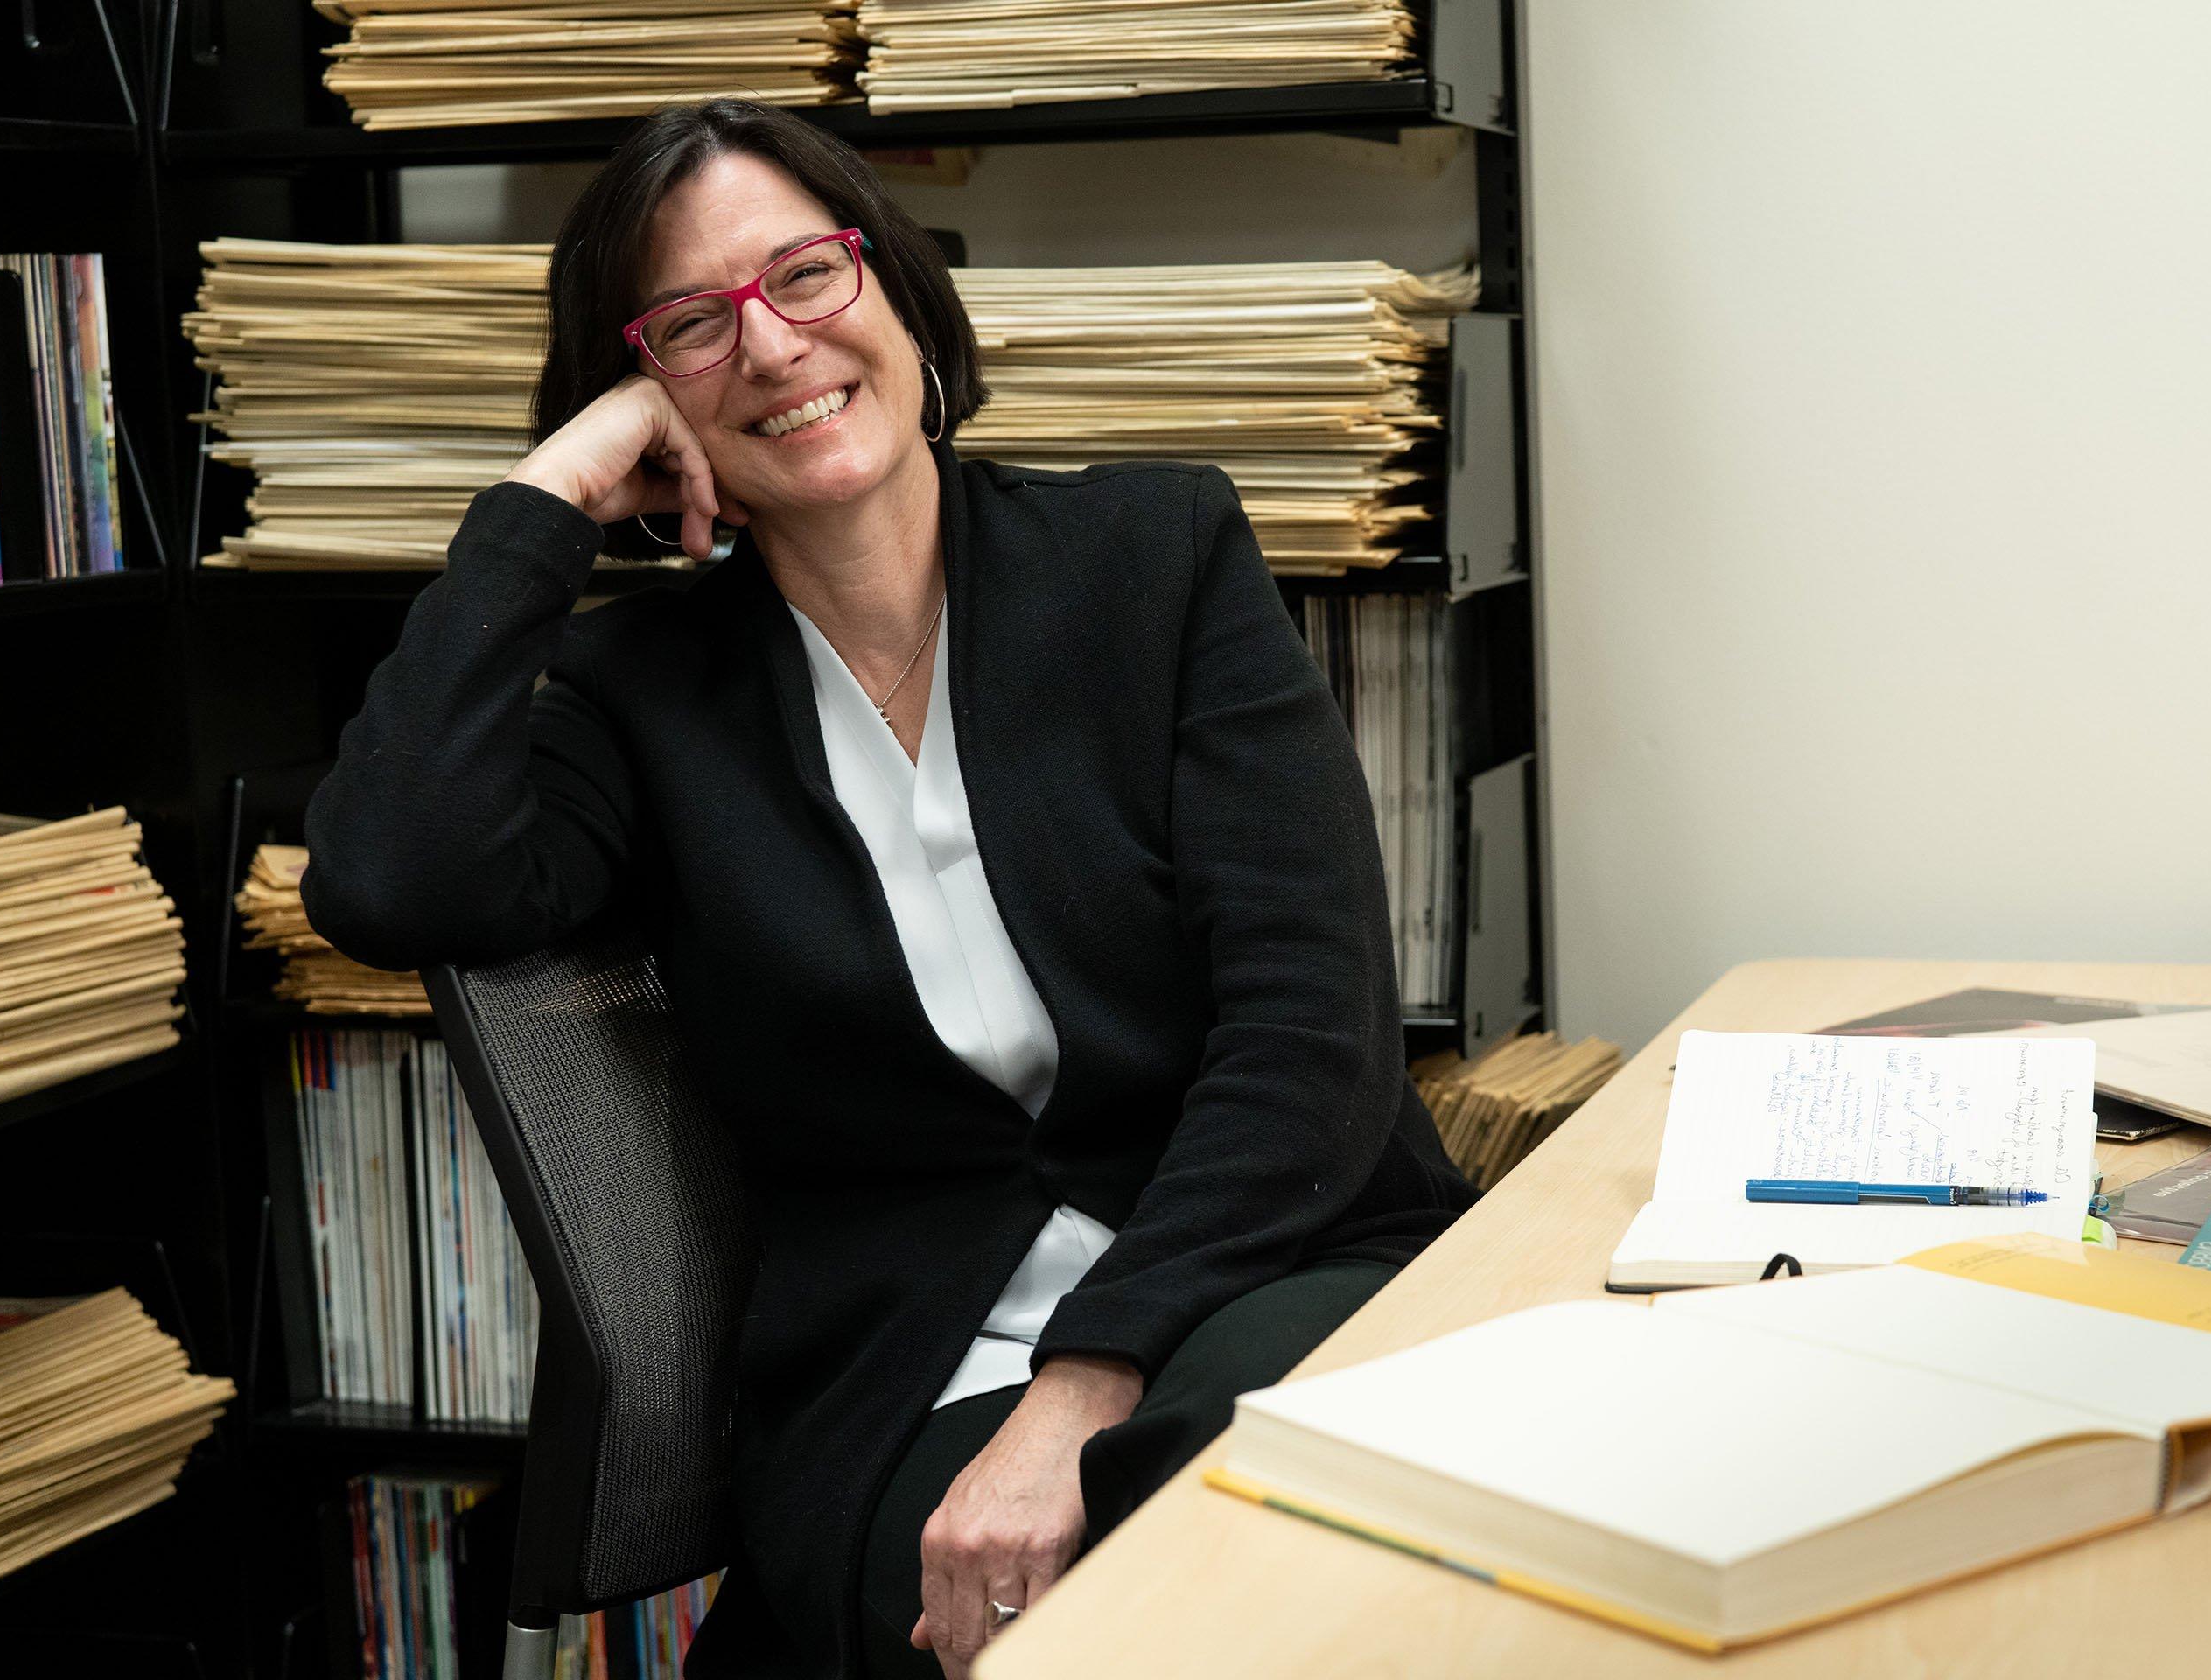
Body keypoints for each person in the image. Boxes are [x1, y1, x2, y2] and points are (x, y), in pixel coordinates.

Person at [299, 97, 1476, 1680]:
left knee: (1278, 1506)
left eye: (805, 275)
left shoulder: (1153, 555)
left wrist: (1082, 1385)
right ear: (639, 389)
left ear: (897, 288)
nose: (774, 347)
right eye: (693, 327)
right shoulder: (643, 693)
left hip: (1255, 1269)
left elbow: (1312, 1038)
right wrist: (549, 503)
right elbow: (386, 877)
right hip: (909, 1381)